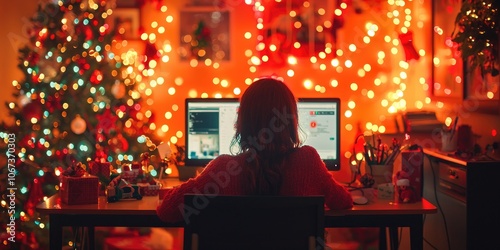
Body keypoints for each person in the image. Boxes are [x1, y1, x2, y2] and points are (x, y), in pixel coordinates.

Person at [157, 77, 353, 223]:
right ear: (291, 120)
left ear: (241, 122)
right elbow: (344, 201)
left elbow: (167, 211)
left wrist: (197, 180)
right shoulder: (307, 160)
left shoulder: (223, 170)